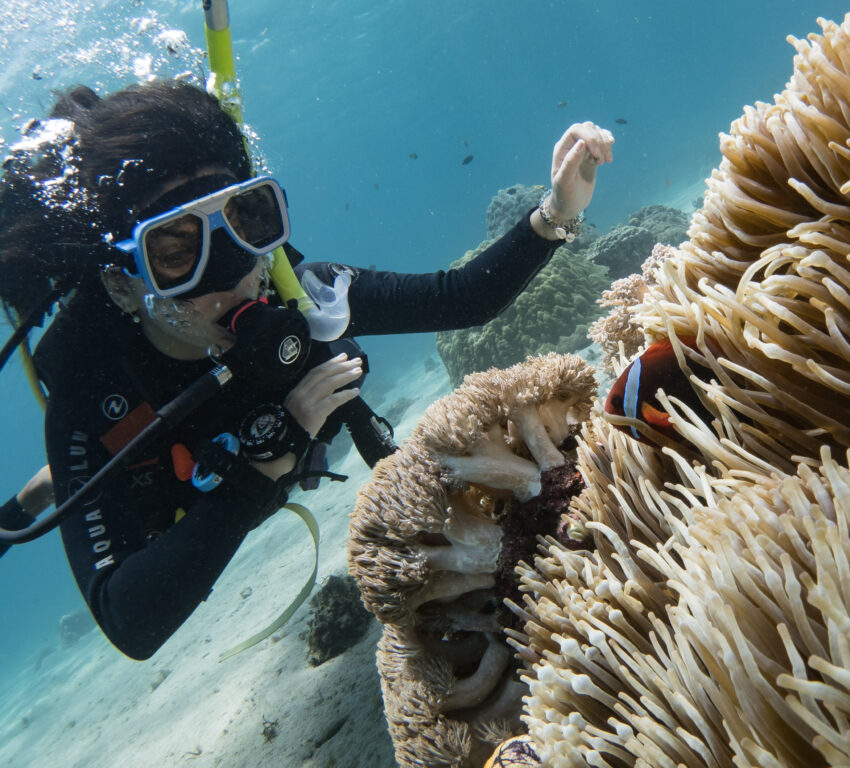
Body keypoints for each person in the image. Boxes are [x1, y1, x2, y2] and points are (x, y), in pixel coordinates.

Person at [0, 80, 614, 660]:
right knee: (91, 477)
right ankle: (45, 485)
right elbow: (130, 622)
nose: (236, 272)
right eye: (178, 252)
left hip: (224, 456)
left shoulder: (300, 298)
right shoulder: (90, 398)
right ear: (124, 283)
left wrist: (556, 210)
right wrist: (269, 462)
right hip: (156, 466)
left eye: (246, 221)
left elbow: (460, 298)